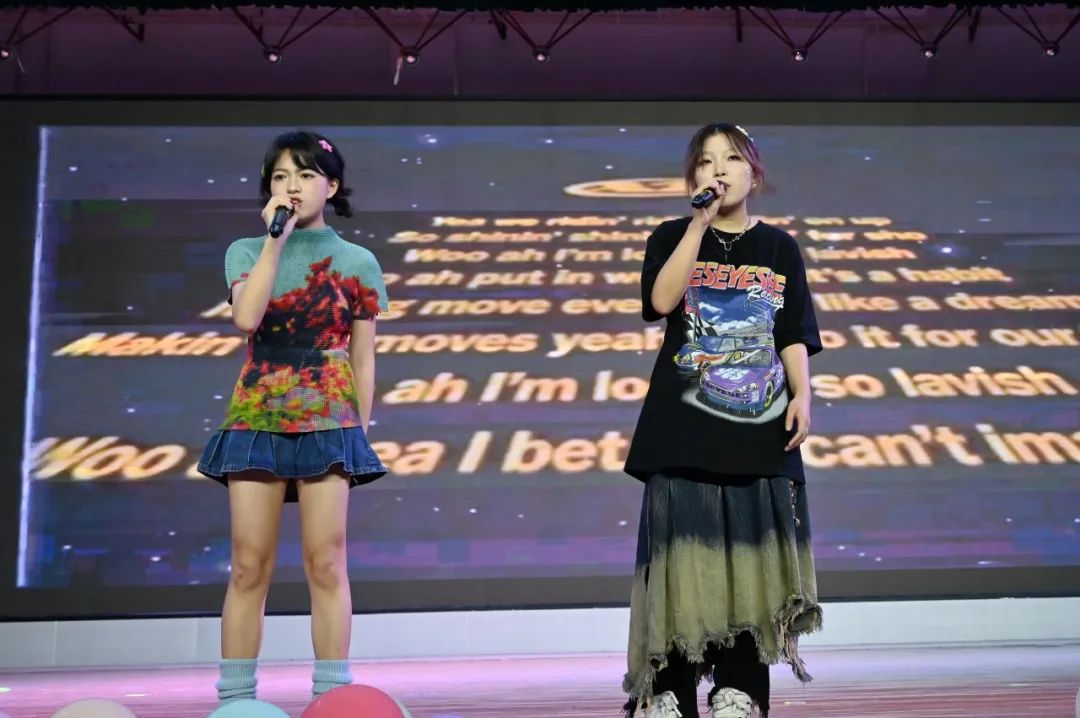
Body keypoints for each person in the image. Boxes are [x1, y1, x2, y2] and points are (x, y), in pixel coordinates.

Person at [622, 122, 823, 718]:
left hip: (759, 424)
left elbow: (792, 331)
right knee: (682, 562)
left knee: (749, 561)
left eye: (731, 159)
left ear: (753, 174)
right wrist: (698, 226)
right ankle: (671, 690)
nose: (718, 170)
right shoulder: (671, 235)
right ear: (693, 178)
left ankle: (738, 688)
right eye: (706, 161)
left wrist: (802, 393)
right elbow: (661, 302)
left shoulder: (780, 248)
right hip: (683, 428)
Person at [197, 130, 388, 705]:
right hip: (257, 412)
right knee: (247, 565)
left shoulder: (358, 261)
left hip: (329, 415)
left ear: (331, 186)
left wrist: (359, 430)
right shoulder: (246, 251)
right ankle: (236, 702)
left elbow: (363, 356)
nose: (293, 186)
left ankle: (331, 700)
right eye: (281, 176)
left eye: (306, 175)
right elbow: (246, 319)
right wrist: (273, 243)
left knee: (326, 562)